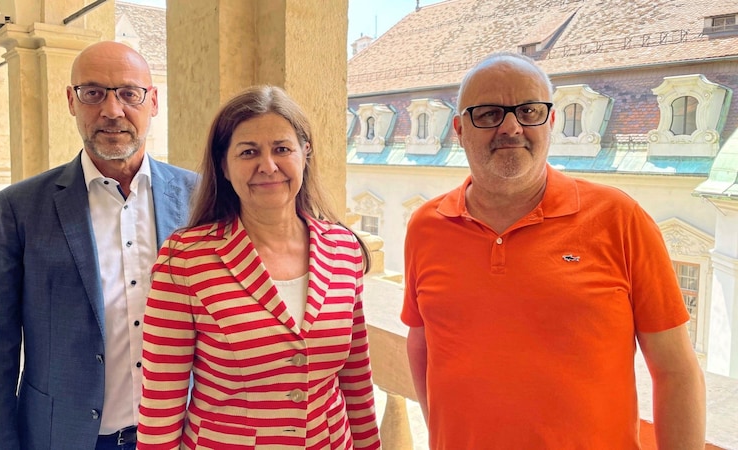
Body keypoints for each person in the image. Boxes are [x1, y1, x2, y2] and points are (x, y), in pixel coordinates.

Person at [402, 52, 706, 449]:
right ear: (459, 129)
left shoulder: (619, 218)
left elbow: (676, 370)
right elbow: (422, 341)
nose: (511, 127)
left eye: (529, 110)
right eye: (489, 114)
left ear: (551, 121)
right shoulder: (427, 225)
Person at [0, 41, 197, 450]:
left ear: (153, 101)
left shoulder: (198, 198)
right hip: (64, 436)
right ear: (71, 101)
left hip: (180, 435)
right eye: (93, 93)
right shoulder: (19, 208)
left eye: (129, 93)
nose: (112, 110)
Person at [136, 85, 381, 449]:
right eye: (249, 152)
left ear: (304, 153)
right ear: (224, 165)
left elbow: (356, 380)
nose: (268, 166)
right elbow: (162, 401)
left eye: (282, 149)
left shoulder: (343, 248)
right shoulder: (186, 260)